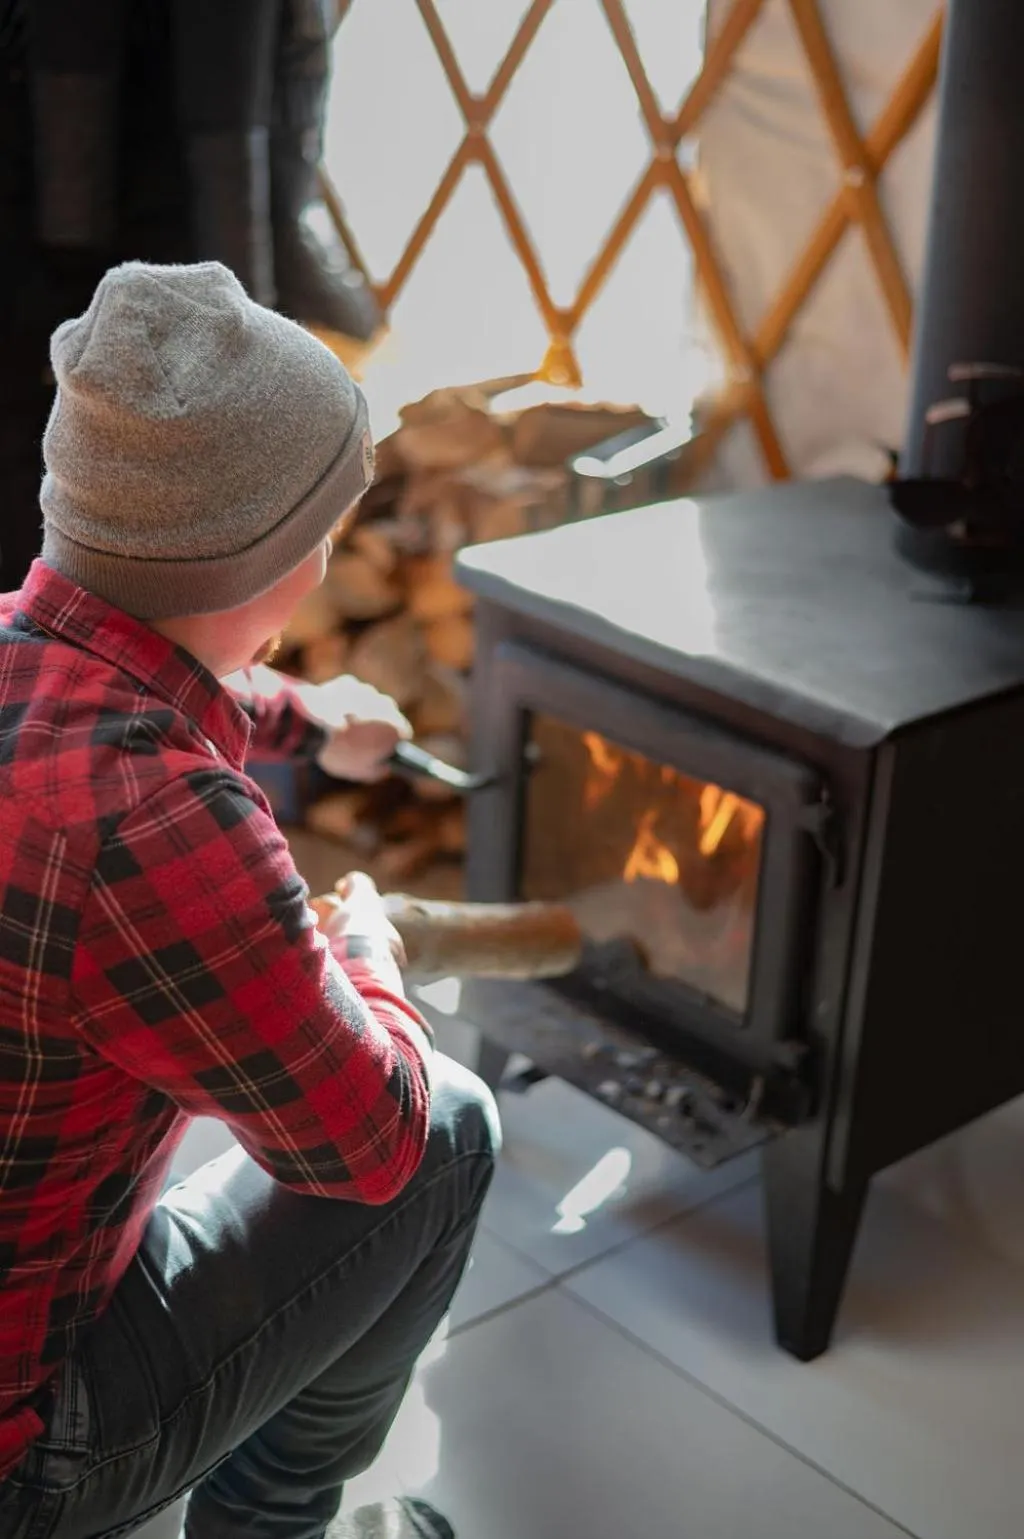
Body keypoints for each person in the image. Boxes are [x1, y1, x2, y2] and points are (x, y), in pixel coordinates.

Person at [0, 260, 499, 1539]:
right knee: (446, 1130)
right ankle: (272, 1525)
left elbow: (127, 670)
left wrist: (307, 719)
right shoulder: (159, 825)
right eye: (324, 525)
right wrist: (369, 950)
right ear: (280, 556)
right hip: (22, 1450)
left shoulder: (28, 654)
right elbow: (365, 1145)